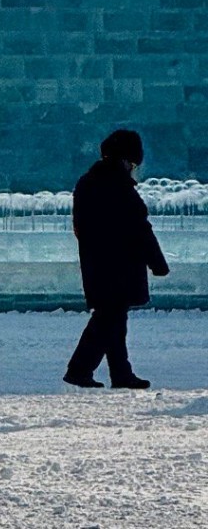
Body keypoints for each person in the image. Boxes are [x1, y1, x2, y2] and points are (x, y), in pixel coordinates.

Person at [64, 128, 169, 390]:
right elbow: (139, 229)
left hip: (97, 263)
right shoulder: (119, 187)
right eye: (133, 163)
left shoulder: (87, 183)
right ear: (125, 160)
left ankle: (121, 373)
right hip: (119, 267)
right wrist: (158, 263)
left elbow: (82, 227)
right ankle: (79, 369)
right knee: (107, 319)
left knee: (113, 318)